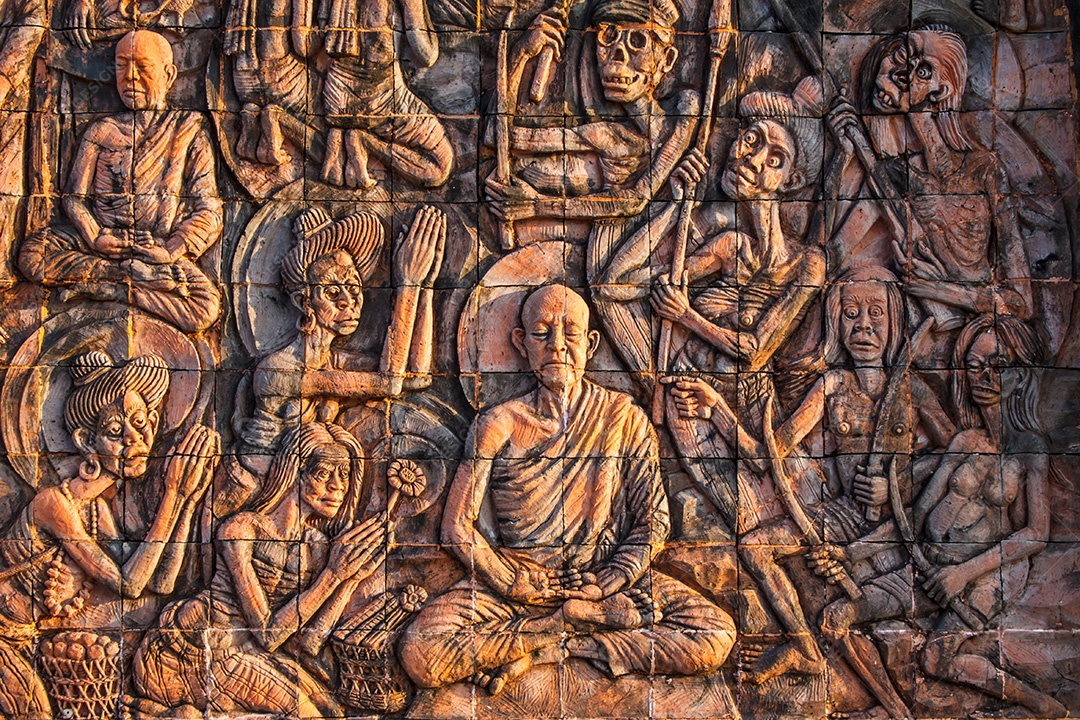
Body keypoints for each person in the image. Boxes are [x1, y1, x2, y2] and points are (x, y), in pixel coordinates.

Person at [399, 285, 734, 696]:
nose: (557, 345)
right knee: (421, 651)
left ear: (590, 344)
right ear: (521, 343)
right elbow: (456, 528)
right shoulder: (498, 423)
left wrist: (610, 580)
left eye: (570, 333)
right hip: (521, 581)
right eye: (542, 333)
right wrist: (507, 581)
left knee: (714, 634)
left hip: (603, 582)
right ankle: (558, 626)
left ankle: (550, 648)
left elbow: (653, 522)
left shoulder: (624, 418)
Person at [666, 267, 954, 688]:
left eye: (876, 313)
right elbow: (768, 455)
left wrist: (899, 486)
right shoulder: (832, 384)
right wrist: (716, 409)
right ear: (835, 321)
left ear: (894, 321)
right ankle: (803, 646)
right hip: (844, 514)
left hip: (904, 523)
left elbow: (963, 455)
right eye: (851, 313)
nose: (864, 326)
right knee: (755, 548)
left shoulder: (912, 390)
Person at [809, 313, 1066, 718]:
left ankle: (1042, 705)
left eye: (997, 366)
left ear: (1022, 374)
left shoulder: (1029, 449)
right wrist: (851, 554)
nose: (983, 377)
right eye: (974, 365)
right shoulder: (965, 441)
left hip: (988, 575)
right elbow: (911, 519)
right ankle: (891, 710)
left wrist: (964, 574)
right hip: (927, 566)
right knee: (837, 615)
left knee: (936, 660)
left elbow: (1035, 533)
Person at [598, 78, 827, 531]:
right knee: (749, 528)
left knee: (808, 515)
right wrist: (674, 203)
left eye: (774, 159)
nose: (751, 158)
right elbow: (614, 284)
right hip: (692, 406)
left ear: (791, 181)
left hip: (755, 407)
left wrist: (686, 315)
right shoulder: (728, 246)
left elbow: (755, 349)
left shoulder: (807, 263)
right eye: (750, 138)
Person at [0, 351, 217, 718]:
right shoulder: (54, 505)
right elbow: (128, 584)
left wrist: (189, 500)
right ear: (87, 441)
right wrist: (173, 495)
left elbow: (159, 582)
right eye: (116, 432)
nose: (135, 438)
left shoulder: (99, 511)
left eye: (140, 422)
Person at [131, 422, 387, 718]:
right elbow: (266, 634)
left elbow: (308, 641)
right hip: (187, 653)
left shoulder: (316, 546)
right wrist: (333, 575)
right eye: (323, 473)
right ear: (295, 474)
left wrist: (350, 577)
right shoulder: (242, 530)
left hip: (245, 653)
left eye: (343, 475)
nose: (337, 486)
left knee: (332, 710)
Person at [215, 205, 445, 516]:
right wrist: (406, 284)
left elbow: (416, 377)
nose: (347, 302)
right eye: (332, 291)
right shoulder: (278, 370)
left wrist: (424, 284)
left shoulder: (334, 360)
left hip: (311, 493)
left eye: (352, 289)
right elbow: (389, 382)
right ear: (304, 301)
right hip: (251, 492)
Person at [828, 27, 1033, 366]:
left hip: (976, 348)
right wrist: (843, 154)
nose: (903, 75)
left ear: (941, 90)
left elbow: (1020, 301)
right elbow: (834, 250)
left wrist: (934, 288)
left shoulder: (984, 170)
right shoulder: (890, 174)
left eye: (922, 71)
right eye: (903, 59)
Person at [19, 30, 223, 334]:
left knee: (204, 308)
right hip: (102, 245)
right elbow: (74, 198)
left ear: (168, 75)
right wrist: (94, 236)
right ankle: (117, 277)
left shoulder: (188, 131)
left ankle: (113, 288)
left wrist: (170, 251)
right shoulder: (103, 130)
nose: (130, 78)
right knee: (32, 255)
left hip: (154, 251)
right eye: (121, 66)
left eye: (142, 67)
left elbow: (208, 210)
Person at [319, 0, 452, 189]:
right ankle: (362, 140)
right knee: (440, 168)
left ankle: (340, 138)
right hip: (382, 101)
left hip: (336, 96)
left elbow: (305, 49)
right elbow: (427, 56)